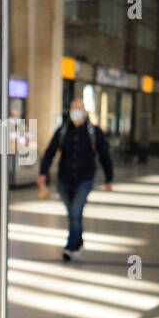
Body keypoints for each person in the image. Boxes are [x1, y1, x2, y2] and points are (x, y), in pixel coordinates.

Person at [38, 97, 113, 261]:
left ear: (85, 112)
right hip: (64, 180)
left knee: (75, 211)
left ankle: (70, 247)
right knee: (73, 214)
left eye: (79, 108)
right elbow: (50, 152)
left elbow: (105, 155)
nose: (76, 111)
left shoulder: (94, 132)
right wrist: (43, 173)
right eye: (74, 108)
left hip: (84, 179)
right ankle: (78, 241)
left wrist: (109, 178)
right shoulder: (63, 131)